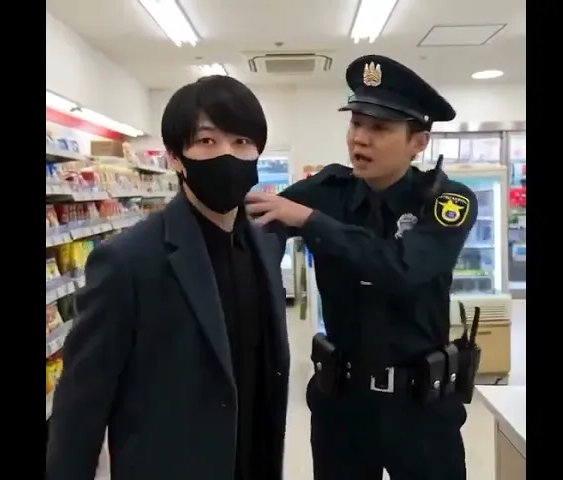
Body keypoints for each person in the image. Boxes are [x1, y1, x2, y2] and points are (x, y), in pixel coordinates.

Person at [46, 75, 290, 480]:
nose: (228, 155)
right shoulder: (127, 261)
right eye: (207, 141)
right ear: (176, 157)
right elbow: (80, 407)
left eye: (242, 141)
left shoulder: (265, 245)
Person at [246, 55, 478, 480]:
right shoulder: (327, 190)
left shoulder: (447, 201)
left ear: (419, 141)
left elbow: (402, 268)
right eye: (356, 123)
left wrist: (311, 222)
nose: (360, 139)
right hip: (341, 407)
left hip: (421, 409)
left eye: (380, 128)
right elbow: (258, 223)